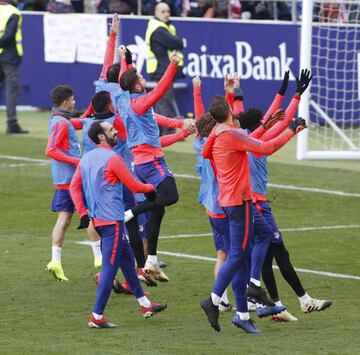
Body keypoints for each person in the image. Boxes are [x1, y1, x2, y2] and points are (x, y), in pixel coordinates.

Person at [199, 95, 307, 333]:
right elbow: (267, 147)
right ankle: (219, 299)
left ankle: (243, 305)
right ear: (229, 111)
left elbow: (208, 152)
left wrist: (264, 126)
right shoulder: (230, 134)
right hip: (240, 201)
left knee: (259, 240)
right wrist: (291, 129)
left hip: (227, 200)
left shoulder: (218, 132)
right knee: (240, 254)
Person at [69, 120, 167, 328]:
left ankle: (145, 304)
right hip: (111, 221)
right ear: (101, 136)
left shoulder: (86, 158)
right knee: (109, 270)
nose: (116, 132)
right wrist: (152, 187)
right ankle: (96, 317)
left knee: (127, 260)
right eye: (111, 130)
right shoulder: (113, 159)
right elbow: (133, 185)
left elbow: (73, 188)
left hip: (102, 221)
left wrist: (83, 213)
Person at [45, 85, 101, 281]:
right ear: (66, 101)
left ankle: (55, 261)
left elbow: (77, 123)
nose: (75, 101)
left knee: (64, 219)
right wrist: (77, 161)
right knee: (90, 216)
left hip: (62, 181)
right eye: (73, 99)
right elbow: (51, 150)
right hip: (73, 180)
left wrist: (88, 114)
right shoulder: (61, 124)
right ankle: (99, 258)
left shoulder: (57, 119)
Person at [145, 1, 184, 135]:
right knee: (165, 100)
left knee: (163, 100)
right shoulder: (159, 29)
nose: (167, 14)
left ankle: (162, 130)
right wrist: (178, 41)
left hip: (162, 69)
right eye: (163, 12)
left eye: (168, 11)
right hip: (161, 69)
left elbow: (178, 43)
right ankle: (167, 130)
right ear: (156, 13)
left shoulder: (163, 26)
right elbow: (178, 42)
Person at [0, 0, 28, 134]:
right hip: (10, 56)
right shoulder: (14, 12)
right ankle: (12, 124)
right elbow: (8, 36)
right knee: (12, 91)